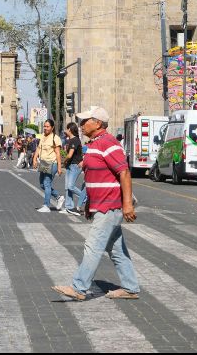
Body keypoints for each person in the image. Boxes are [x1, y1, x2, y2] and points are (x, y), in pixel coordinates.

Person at [51, 106, 140, 301]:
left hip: (110, 204)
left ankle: (79, 287)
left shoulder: (109, 143)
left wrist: (127, 204)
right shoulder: (95, 144)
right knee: (115, 248)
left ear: (98, 123)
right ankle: (131, 287)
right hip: (101, 204)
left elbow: (124, 172)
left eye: (85, 122)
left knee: (93, 246)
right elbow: (93, 176)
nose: (81, 125)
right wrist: (89, 204)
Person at [33, 119, 63, 213]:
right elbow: (38, 148)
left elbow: (58, 153)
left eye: (47, 126)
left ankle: (46, 205)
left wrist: (59, 167)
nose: (45, 128)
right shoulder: (43, 136)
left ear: (52, 127)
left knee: (47, 183)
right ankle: (59, 197)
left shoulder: (55, 138)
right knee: (42, 184)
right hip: (43, 163)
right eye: (44, 126)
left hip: (52, 163)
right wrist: (34, 159)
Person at [62, 122, 84, 216]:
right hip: (70, 165)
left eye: (66, 129)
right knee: (67, 187)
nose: (65, 130)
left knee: (70, 186)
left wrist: (64, 161)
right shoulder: (70, 140)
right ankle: (69, 207)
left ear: (69, 130)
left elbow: (70, 155)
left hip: (75, 165)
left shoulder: (75, 140)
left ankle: (85, 197)